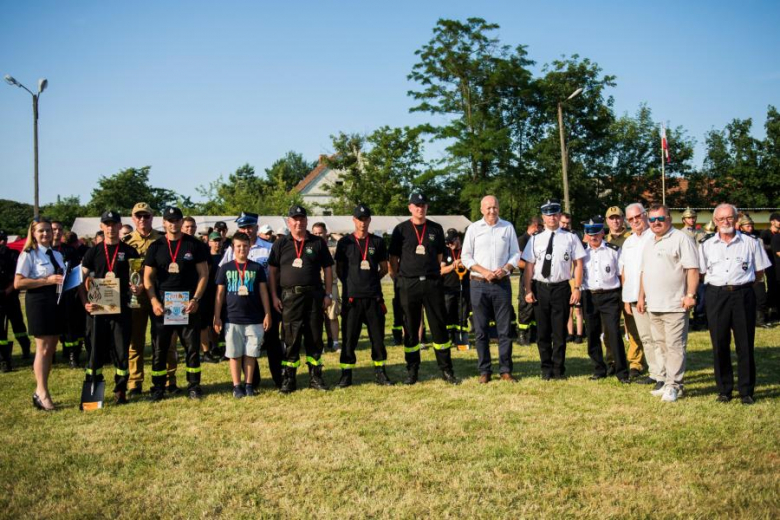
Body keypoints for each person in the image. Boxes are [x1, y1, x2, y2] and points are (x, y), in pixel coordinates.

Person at [699, 204, 771, 405]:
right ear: (715, 221)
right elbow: (702, 271)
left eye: (729, 218)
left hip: (742, 294)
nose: (725, 222)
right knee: (719, 344)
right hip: (716, 295)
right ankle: (724, 390)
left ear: (736, 218)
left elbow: (759, 273)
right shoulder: (706, 245)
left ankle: (746, 391)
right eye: (721, 219)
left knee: (745, 344)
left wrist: (742, 286)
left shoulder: (751, 243)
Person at [389, 193, 458, 385]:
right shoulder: (401, 229)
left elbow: (438, 257)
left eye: (423, 205)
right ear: (410, 207)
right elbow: (393, 259)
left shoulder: (436, 228)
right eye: (417, 205)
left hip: (431, 283)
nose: (420, 208)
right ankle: (412, 370)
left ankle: (446, 369)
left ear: (427, 207)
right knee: (410, 328)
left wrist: (432, 274)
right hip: (408, 283)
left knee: (439, 326)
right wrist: (399, 279)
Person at [143, 206, 209, 401]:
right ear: (164, 223)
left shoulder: (194, 245)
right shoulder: (156, 247)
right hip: (163, 304)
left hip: (188, 302)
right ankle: (157, 388)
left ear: (181, 222)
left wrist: (196, 299)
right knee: (160, 348)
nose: (173, 223)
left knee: (192, 348)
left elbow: (204, 274)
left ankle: (194, 386)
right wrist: (154, 301)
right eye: (169, 220)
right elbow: (147, 278)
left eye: (177, 220)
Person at [636, 204, 700, 403]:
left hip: (674, 304)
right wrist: (641, 297)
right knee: (661, 345)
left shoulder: (681, 238)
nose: (656, 223)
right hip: (653, 304)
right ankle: (665, 381)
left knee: (674, 347)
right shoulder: (649, 241)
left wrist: (690, 294)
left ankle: (675, 385)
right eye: (652, 220)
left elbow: (693, 269)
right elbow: (644, 272)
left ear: (669, 219)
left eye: (660, 219)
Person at [268, 205, 334, 393]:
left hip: (314, 296)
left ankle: (316, 377)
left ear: (307, 221)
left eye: (302, 219)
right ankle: (289, 379)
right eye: (295, 219)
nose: (299, 222)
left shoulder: (317, 242)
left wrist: (328, 294)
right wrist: (274, 296)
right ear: (289, 222)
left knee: (314, 337)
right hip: (290, 297)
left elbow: (328, 268)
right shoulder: (280, 244)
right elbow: (272, 272)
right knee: (291, 337)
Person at [79, 211, 142, 405]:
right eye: (106, 224)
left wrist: (137, 288)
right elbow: (80, 280)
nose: (110, 228)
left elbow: (138, 279)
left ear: (119, 226)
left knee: (122, 352)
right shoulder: (93, 251)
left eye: (114, 224)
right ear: (101, 227)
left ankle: (120, 390)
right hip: (97, 309)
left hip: (121, 308)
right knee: (96, 351)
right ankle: (93, 392)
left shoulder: (130, 252)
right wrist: (84, 303)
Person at [523, 198, 586, 380]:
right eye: (548, 214)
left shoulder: (571, 237)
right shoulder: (535, 240)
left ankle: (558, 369)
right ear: (543, 217)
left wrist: (577, 288)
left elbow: (578, 263)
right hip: (541, 288)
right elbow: (529, 267)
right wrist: (528, 290)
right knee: (542, 332)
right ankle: (546, 368)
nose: (552, 217)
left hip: (561, 288)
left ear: (559, 215)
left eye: (555, 213)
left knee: (559, 331)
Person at [220, 212, 284, 388]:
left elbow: (275, 275)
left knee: (272, 342)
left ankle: (279, 378)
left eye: (250, 227)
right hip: (243, 305)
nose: (247, 230)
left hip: (265, 300)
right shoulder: (233, 249)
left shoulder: (269, 248)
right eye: (243, 227)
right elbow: (223, 273)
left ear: (257, 227)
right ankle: (252, 382)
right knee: (248, 344)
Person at [462, 195, 520, 383]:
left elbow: (515, 254)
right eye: (488, 208)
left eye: (494, 207)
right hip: (479, 284)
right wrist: (484, 271)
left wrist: (505, 269)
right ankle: (484, 370)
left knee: (504, 330)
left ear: (499, 208)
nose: (491, 211)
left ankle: (505, 370)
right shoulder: (473, 229)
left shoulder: (507, 227)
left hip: (502, 284)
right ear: (481, 210)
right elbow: (466, 257)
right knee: (480, 330)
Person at [334, 205, 393, 387]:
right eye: (359, 219)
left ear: (369, 220)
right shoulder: (345, 242)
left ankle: (380, 372)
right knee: (349, 338)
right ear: (354, 220)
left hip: (374, 298)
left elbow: (385, 267)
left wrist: (372, 280)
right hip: (352, 299)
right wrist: (352, 283)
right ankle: (346, 374)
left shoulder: (377, 242)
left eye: (366, 219)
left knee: (377, 338)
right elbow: (339, 269)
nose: (362, 222)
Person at [124, 202, 177, 396]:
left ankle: (170, 379)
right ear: (133, 218)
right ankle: (135, 382)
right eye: (138, 216)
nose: (142, 220)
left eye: (146, 216)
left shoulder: (163, 240)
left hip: (160, 296)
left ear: (152, 218)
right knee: (135, 342)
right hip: (136, 297)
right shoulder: (127, 242)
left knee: (165, 342)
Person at [14, 218, 66, 411]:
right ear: (33, 234)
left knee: (51, 348)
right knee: (43, 349)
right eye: (41, 231)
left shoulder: (57, 254)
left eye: (48, 231)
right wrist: (47, 280)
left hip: (55, 302)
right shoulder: (28, 254)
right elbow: (19, 283)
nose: (46, 234)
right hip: (39, 302)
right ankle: (42, 393)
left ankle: (41, 391)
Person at [214, 232, 272, 398]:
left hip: (254, 318)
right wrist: (217, 316)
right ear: (233, 248)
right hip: (232, 318)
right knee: (234, 353)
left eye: (245, 246)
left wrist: (267, 314)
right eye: (238, 246)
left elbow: (263, 292)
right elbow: (219, 294)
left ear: (249, 248)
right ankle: (236, 385)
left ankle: (248, 384)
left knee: (251, 353)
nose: (242, 249)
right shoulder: (226, 268)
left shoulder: (257, 267)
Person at [580, 216, 629, 383]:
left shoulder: (613, 250)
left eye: (596, 233)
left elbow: (622, 275)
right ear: (586, 234)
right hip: (589, 295)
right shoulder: (582, 253)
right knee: (592, 334)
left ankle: (622, 372)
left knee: (614, 334)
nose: (593, 237)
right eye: (589, 233)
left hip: (610, 295)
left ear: (603, 232)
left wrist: (624, 295)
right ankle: (598, 369)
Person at [619, 203, 656, 386]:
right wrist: (626, 299)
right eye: (631, 219)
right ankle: (655, 372)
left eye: (638, 217)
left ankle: (664, 373)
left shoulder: (655, 237)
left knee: (658, 337)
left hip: (653, 296)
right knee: (646, 338)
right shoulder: (629, 242)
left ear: (645, 215)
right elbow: (624, 271)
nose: (635, 221)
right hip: (633, 297)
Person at [52, 220, 86, 368]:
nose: (57, 232)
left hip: (67, 294)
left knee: (70, 326)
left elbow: (76, 274)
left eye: (60, 229)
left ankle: (73, 355)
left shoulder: (69, 251)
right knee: (51, 326)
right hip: (48, 294)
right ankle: (50, 355)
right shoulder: (39, 251)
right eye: (53, 229)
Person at [0, 229, 32, 369]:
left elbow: (19, 274)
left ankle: (25, 348)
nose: (2, 242)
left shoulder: (13, 254)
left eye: (3, 239)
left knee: (18, 325)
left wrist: (9, 289)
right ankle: (4, 359)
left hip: (11, 295)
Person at [312, 222, 341, 353]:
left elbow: (344, 241)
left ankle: (335, 342)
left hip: (332, 284)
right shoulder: (311, 247)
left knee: (332, 315)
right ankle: (319, 344)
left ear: (326, 233)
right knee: (317, 317)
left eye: (320, 232)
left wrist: (333, 234)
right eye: (315, 233)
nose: (318, 235)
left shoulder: (333, 248)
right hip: (315, 284)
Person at [440, 228, 470, 349]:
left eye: (451, 242)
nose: (449, 244)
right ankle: (448, 337)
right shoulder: (446, 252)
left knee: (462, 315)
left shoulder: (466, 251)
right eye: (447, 242)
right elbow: (441, 270)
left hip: (464, 288)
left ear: (458, 239)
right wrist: (453, 265)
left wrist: (464, 262)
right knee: (448, 314)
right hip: (448, 289)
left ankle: (461, 339)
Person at [559, 213, 584, 344]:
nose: (565, 225)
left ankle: (579, 334)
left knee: (578, 308)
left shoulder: (575, 236)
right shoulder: (556, 236)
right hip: (564, 278)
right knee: (567, 308)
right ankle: (570, 333)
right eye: (563, 222)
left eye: (567, 223)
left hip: (575, 277)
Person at [516, 217, 541, 346]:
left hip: (538, 278)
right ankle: (522, 335)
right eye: (540, 226)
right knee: (525, 307)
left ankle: (534, 334)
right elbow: (518, 261)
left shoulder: (537, 239)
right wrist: (532, 267)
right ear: (535, 226)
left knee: (536, 307)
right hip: (526, 278)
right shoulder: (522, 240)